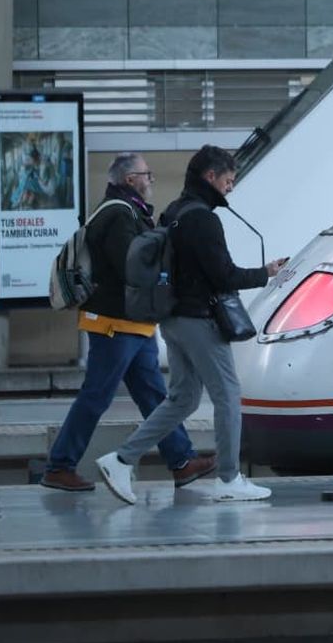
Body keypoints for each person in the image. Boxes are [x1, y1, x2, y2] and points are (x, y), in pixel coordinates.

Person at [96, 145, 287, 504]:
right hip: (199, 319)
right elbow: (223, 275)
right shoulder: (204, 219)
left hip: (172, 319)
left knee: (182, 398)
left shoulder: (174, 211)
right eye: (228, 181)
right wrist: (266, 273)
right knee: (228, 394)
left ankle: (121, 460)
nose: (231, 188)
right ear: (210, 177)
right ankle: (229, 479)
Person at [41, 154, 215, 492]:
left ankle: (181, 461)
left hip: (132, 324)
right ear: (129, 179)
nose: (151, 179)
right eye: (146, 174)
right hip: (113, 323)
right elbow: (131, 266)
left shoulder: (128, 211)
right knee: (96, 396)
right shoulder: (119, 214)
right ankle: (59, 466)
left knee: (153, 395)